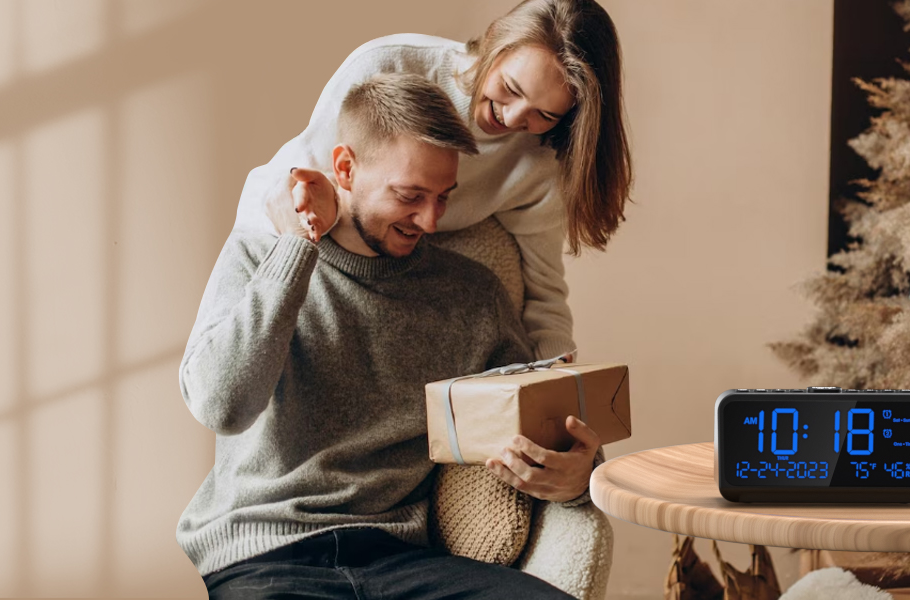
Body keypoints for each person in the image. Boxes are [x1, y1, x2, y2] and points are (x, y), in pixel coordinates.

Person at [178, 73, 600, 599]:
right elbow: (224, 407)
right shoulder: (261, 257)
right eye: (410, 196)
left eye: (443, 197)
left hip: (403, 560)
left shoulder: (469, 294)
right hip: (265, 554)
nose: (429, 220)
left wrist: (578, 476)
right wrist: (295, 248)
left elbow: (534, 412)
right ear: (345, 169)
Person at [233, 0, 631, 364]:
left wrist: (559, 375)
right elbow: (296, 190)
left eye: (545, 114)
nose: (513, 119)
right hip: (333, 244)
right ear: (494, 40)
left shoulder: (541, 159)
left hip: (430, 272)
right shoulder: (388, 64)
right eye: (511, 89)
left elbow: (544, 292)